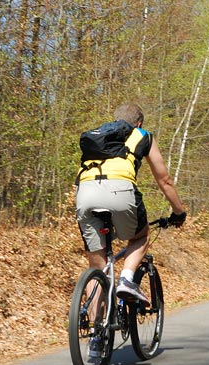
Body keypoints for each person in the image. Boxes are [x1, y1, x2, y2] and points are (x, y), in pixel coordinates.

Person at [76, 103, 186, 306]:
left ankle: (95, 333)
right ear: (139, 122)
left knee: (97, 268)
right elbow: (165, 180)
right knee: (141, 237)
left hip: (85, 193)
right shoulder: (143, 135)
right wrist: (179, 211)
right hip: (120, 191)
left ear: (114, 118)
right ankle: (126, 280)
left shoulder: (99, 135)